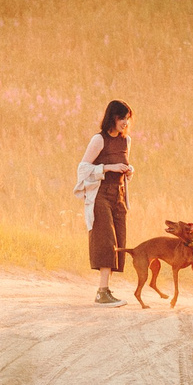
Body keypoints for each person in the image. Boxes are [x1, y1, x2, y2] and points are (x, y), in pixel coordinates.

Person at [79, 100, 134, 305]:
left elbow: (125, 165)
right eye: (122, 118)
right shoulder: (99, 140)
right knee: (106, 240)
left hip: (118, 196)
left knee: (118, 241)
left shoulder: (126, 141)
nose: (125, 123)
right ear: (113, 117)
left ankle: (106, 290)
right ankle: (102, 292)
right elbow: (83, 169)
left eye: (128, 119)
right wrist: (108, 168)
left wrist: (129, 171)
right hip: (100, 195)